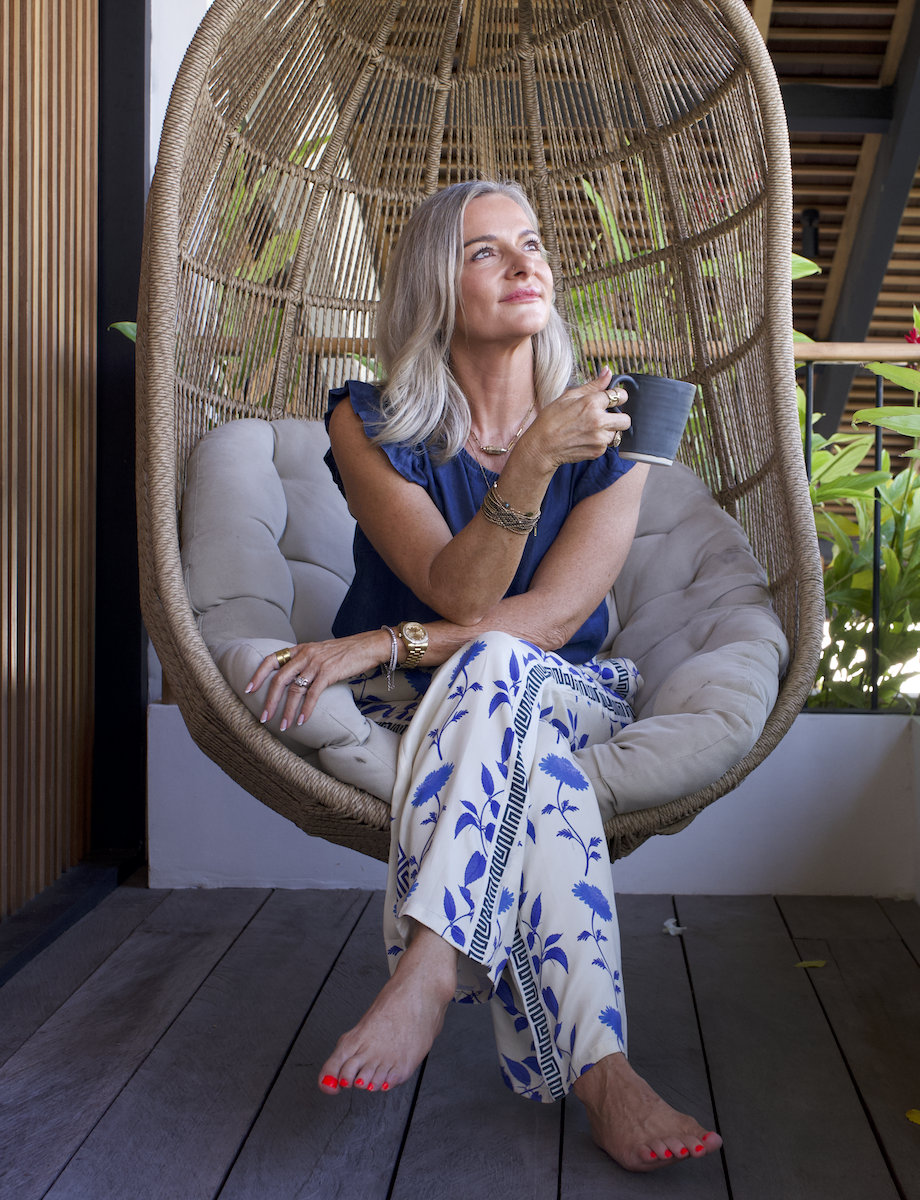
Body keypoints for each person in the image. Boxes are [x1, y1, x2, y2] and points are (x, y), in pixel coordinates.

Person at [242, 179, 722, 1171]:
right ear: (433, 287)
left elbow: (549, 620)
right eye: (486, 252)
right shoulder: (366, 419)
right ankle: (606, 1076)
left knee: (508, 659)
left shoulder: (628, 418)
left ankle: (428, 958)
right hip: (422, 711)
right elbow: (457, 589)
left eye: (532, 245)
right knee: (534, 781)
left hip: (562, 687)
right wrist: (529, 466)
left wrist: (380, 643)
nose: (524, 263)